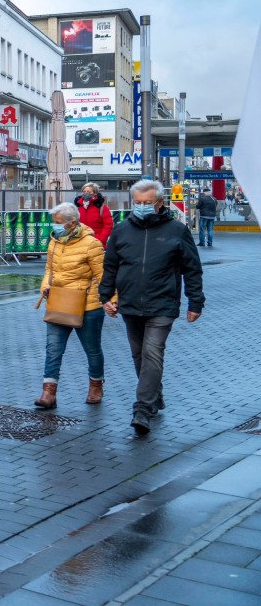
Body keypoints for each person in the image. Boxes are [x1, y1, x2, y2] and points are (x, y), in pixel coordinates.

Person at [99, 179, 204, 436]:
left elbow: (192, 269)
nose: (142, 207)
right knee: (139, 356)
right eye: (138, 203)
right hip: (130, 304)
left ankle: (142, 410)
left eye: (147, 203)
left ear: (159, 203)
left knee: (152, 354)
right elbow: (111, 266)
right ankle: (155, 394)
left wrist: (195, 301)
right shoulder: (122, 230)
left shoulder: (177, 230)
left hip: (163, 304)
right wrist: (106, 297)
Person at [34, 202, 106, 410]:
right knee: (53, 349)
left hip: (87, 304)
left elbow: (102, 275)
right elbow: (49, 269)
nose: (54, 227)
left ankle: (96, 386)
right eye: (53, 222)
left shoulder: (91, 244)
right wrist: (45, 286)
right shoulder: (54, 242)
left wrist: (110, 300)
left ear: (72, 223)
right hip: (59, 301)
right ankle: (48, 393)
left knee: (92, 350)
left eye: (58, 223)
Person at [74, 182, 113, 247]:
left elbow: (108, 225)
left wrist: (100, 240)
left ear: (95, 193)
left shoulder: (102, 207)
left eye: (89, 191)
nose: (86, 193)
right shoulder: (79, 207)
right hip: (81, 244)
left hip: (97, 244)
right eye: (84, 191)